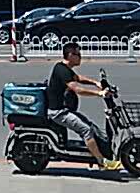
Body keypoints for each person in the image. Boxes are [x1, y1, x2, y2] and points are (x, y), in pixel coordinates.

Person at [46, 42, 121, 171]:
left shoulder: (65, 68)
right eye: (78, 54)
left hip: (65, 110)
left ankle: (100, 152)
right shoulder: (61, 70)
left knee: (91, 126)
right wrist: (99, 93)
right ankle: (102, 162)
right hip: (59, 113)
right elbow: (77, 89)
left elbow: (78, 78)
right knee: (86, 130)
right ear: (70, 55)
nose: (80, 57)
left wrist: (96, 83)